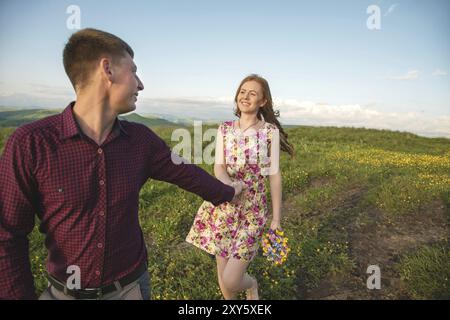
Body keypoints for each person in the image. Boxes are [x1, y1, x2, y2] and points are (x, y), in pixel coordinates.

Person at [0, 28, 245, 300]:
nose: (140, 84)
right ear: (107, 70)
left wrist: (229, 192)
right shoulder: (30, 144)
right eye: (134, 72)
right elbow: (7, 237)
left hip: (130, 290)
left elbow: (185, 172)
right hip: (63, 293)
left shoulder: (141, 141)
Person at [186, 74, 294, 300]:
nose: (245, 96)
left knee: (232, 279)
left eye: (253, 93)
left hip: (253, 210)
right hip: (224, 205)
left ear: (262, 102)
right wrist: (228, 187)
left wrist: (276, 219)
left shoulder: (269, 131)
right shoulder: (224, 129)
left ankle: (251, 284)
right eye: (243, 91)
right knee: (223, 274)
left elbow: (274, 175)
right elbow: (219, 167)